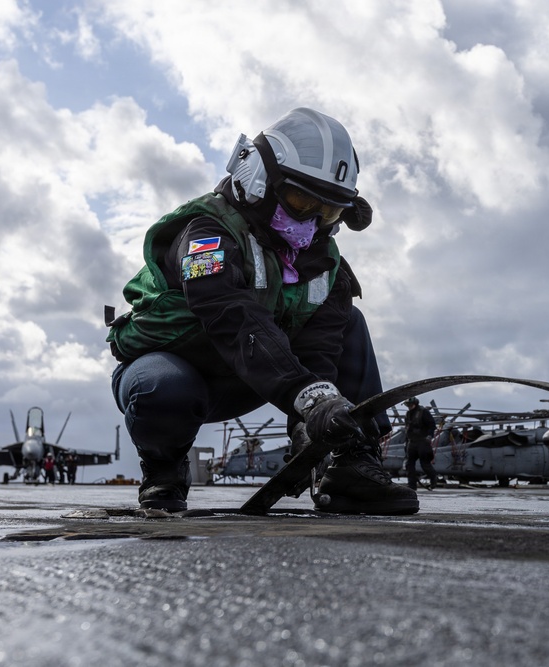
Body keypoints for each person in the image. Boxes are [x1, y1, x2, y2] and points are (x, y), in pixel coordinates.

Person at [105, 107, 417, 515]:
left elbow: (322, 346)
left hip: (252, 377)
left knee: (350, 324)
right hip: (180, 368)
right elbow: (228, 313)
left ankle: (351, 465)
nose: (313, 221)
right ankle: (163, 470)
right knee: (163, 388)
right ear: (259, 180)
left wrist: (313, 422)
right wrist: (306, 395)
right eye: (301, 200)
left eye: (330, 212)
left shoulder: (326, 267)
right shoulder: (206, 235)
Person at [403, 397, 438, 490]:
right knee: (409, 464)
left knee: (424, 464)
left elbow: (432, 425)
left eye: (410, 405)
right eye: (408, 405)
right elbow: (407, 429)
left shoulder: (424, 412)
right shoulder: (408, 414)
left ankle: (433, 478)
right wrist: (406, 442)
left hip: (422, 442)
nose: (409, 407)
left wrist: (429, 436)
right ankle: (412, 485)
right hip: (412, 442)